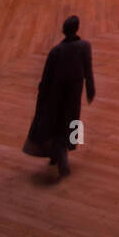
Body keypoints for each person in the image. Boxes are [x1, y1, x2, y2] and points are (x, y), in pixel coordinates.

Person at [22, 16, 95, 179]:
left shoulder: (56, 51)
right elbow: (88, 69)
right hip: (74, 92)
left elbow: (46, 76)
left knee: (55, 121)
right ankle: (64, 151)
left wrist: (41, 94)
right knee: (72, 119)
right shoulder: (84, 46)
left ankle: (58, 156)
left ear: (63, 30)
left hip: (56, 92)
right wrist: (90, 88)